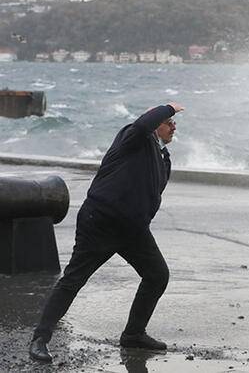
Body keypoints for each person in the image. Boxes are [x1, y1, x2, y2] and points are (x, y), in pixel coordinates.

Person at [29, 103, 184, 362]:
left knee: (157, 275)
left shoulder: (162, 156)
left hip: (133, 230)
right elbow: (143, 123)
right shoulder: (133, 136)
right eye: (169, 121)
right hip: (100, 222)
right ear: (155, 122)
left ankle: (134, 334)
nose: (174, 126)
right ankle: (39, 339)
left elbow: (153, 191)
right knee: (73, 280)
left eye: (173, 122)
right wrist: (169, 107)